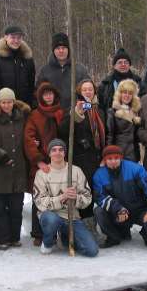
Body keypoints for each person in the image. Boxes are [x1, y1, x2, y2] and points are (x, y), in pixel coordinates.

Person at [33, 139, 98, 257]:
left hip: (71, 217)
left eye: (61, 150)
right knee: (52, 220)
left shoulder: (76, 171)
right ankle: (48, 243)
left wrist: (75, 198)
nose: (57, 153)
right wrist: (62, 197)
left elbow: (87, 197)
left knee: (92, 251)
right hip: (51, 215)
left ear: (65, 153)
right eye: (54, 150)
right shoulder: (42, 174)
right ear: (49, 153)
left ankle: (65, 236)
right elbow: (39, 202)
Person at [0, 88, 30, 249]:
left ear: (14, 102)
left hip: (19, 169)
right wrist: (0, 156)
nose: (7, 105)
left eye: (9, 102)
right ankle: (2, 239)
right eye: (4, 102)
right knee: (0, 208)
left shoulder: (22, 118)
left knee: (17, 206)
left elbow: (28, 137)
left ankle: (15, 237)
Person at [92, 145, 147, 248]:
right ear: (105, 160)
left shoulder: (136, 169)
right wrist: (118, 208)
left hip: (140, 210)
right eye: (109, 159)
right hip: (119, 211)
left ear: (121, 158)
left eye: (116, 158)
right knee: (99, 211)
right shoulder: (99, 175)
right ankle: (114, 237)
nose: (113, 161)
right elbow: (100, 197)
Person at [58, 78, 106, 226]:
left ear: (94, 91)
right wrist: (77, 115)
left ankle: (92, 224)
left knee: (95, 190)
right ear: (79, 92)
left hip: (97, 157)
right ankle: (82, 225)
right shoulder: (74, 108)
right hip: (81, 158)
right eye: (84, 89)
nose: (87, 92)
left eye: (90, 89)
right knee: (84, 191)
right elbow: (63, 130)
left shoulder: (99, 110)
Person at [24, 82, 64, 246]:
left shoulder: (61, 113)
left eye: (50, 94)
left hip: (59, 163)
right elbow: (28, 139)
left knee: (57, 197)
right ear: (40, 97)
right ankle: (38, 233)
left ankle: (55, 232)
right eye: (45, 94)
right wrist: (39, 160)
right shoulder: (35, 115)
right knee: (39, 199)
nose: (48, 96)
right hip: (41, 165)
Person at [0, 25, 36, 109]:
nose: (16, 40)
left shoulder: (27, 59)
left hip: (23, 108)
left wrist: (30, 105)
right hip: (2, 109)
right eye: (13, 37)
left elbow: (31, 85)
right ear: (5, 37)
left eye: (19, 38)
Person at [35, 32, 90, 111]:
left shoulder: (80, 70)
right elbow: (38, 94)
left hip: (75, 117)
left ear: (68, 49)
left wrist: (83, 109)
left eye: (64, 48)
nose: (61, 51)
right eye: (58, 48)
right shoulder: (45, 71)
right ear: (53, 50)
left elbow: (90, 96)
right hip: (52, 116)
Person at [105, 78, 141, 162]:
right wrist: (109, 155)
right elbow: (109, 136)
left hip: (133, 155)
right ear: (119, 94)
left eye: (130, 93)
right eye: (125, 92)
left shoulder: (136, 112)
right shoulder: (112, 112)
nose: (127, 95)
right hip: (118, 155)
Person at [97, 48, 142, 112]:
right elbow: (100, 106)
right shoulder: (106, 84)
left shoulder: (138, 82)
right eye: (120, 62)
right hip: (111, 119)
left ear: (129, 65)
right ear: (114, 66)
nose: (123, 64)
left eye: (125, 62)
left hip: (133, 118)